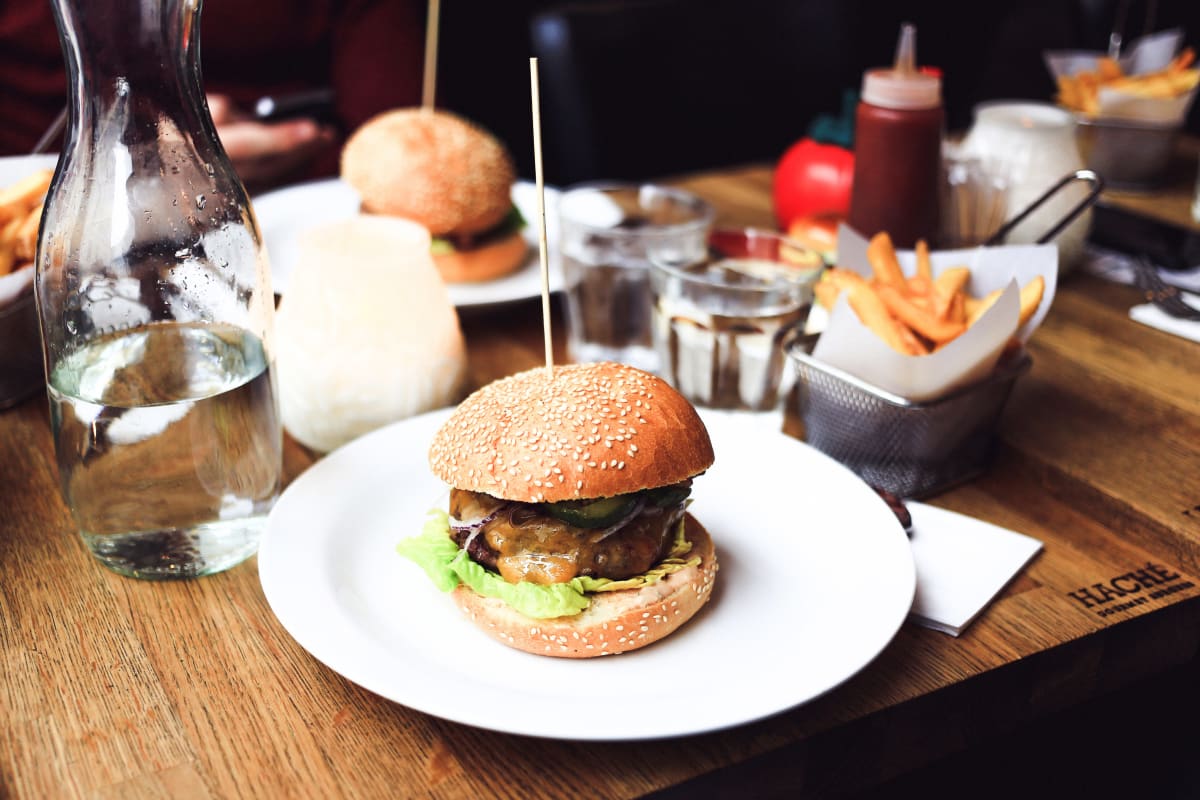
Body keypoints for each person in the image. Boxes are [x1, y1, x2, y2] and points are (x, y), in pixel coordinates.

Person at [0, 0, 426, 192]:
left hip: (279, 226)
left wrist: (299, 154)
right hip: (55, 243)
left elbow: (406, 145)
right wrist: (134, 162)